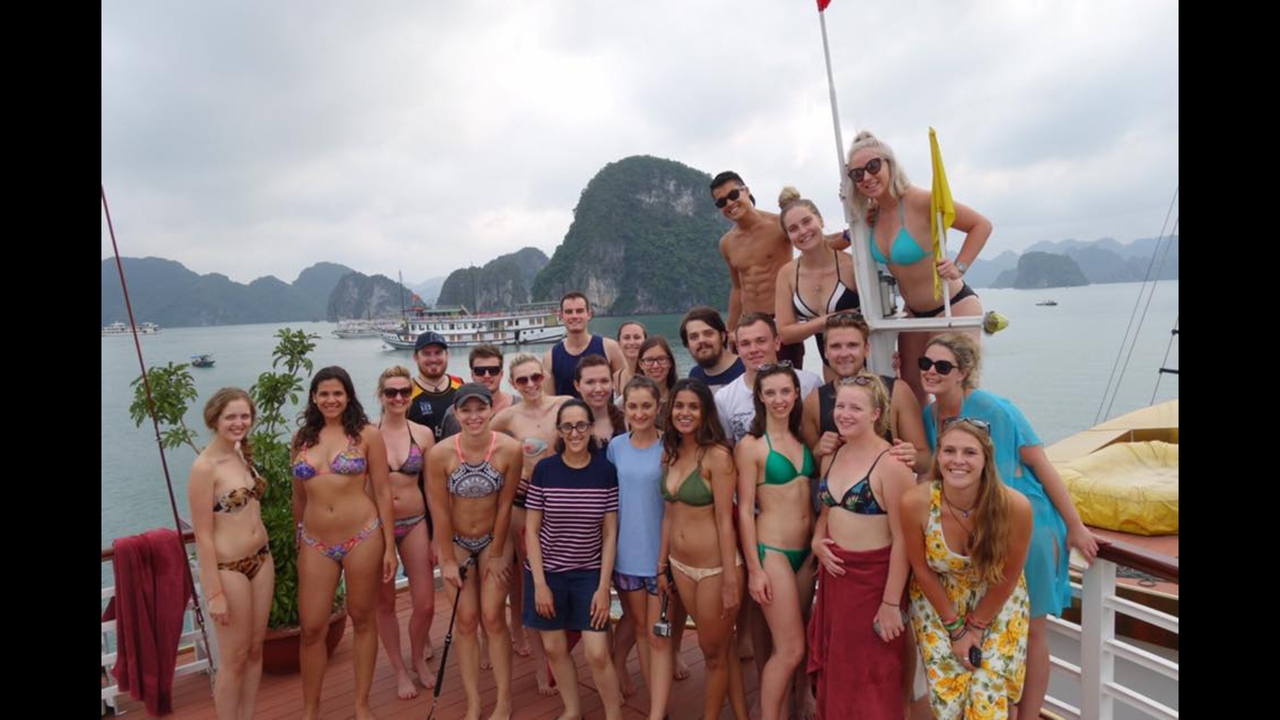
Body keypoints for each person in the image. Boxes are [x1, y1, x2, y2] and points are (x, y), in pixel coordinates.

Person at [912, 332, 1099, 718]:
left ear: (962, 372)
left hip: (1025, 521)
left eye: (942, 366)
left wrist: (1075, 525)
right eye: (925, 364)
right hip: (981, 529)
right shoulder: (930, 416)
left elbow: (1040, 464)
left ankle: (1028, 715)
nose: (931, 371)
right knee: (996, 626)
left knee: (1031, 629)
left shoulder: (994, 408)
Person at [837, 130, 993, 402]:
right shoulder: (871, 216)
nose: (867, 177)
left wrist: (960, 267)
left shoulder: (921, 201)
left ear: (890, 165)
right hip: (914, 317)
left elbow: (980, 225)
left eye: (873, 166)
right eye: (857, 173)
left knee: (957, 394)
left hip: (952, 305)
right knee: (910, 393)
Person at [902, 418, 1034, 720]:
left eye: (969, 453)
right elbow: (922, 570)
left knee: (989, 693)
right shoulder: (915, 503)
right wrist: (955, 628)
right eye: (949, 451)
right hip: (938, 601)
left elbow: (1010, 575)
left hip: (997, 600)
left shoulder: (1015, 508)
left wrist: (975, 627)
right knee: (949, 702)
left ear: (986, 459)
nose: (958, 461)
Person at [290, 366, 397, 720]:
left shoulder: (367, 435)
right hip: (315, 541)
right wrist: (297, 536)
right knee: (312, 628)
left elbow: (382, 491)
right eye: (323, 393)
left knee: (362, 618)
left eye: (337, 393)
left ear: (348, 395)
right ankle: (310, 709)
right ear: (314, 398)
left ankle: (361, 704)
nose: (331, 400)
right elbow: (298, 497)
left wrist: (389, 546)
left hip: (362, 535)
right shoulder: (302, 439)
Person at [807, 373, 915, 720]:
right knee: (838, 670)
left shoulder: (893, 465)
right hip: (836, 581)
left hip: (874, 586)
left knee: (872, 676)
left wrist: (890, 604)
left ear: (876, 413)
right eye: (840, 406)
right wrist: (817, 541)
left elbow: (904, 540)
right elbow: (827, 511)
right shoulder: (832, 456)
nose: (845, 414)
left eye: (856, 407)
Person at [425, 382, 524, 720]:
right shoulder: (440, 454)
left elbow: (506, 504)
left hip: (494, 539)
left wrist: (497, 553)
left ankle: (504, 700)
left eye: (480, 409)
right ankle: (473, 702)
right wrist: (448, 560)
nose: (474, 416)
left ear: (490, 409)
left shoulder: (509, 450)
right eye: (465, 410)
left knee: (493, 616)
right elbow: (438, 510)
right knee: (466, 621)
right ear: (456, 412)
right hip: (456, 541)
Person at [524, 399, 625, 720]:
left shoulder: (605, 471)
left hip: (588, 573)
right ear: (559, 431)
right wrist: (539, 584)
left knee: (596, 652)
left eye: (581, 425)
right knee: (554, 647)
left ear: (591, 428)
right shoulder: (545, 469)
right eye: (568, 426)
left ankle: (614, 714)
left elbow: (610, 533)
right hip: (547, 573)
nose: (575, 432)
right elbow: (531, 530)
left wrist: (603, 588)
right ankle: (572, 709)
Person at [658, 378, 749, 720]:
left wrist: (729, 579)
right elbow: (668, 515)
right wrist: (661, 565)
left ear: (705, 412)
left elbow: (726, 521)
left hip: (714, 569)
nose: (685, 412)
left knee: (712, 654)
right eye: (679, 406)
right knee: (722, 648)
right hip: (679, 566)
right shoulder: (669, 453)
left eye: (693, 406)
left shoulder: (718, 457)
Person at [733, 366, 817, 720]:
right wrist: (754, 569)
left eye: (786, 391)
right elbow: (744, 512)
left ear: (796, 393)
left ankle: (797, 707)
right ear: (760, 398)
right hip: (774, 552)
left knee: (799, 644)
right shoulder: (751, 446)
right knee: (790, 649)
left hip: (806, 553)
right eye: (771, 393)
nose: (779, 399)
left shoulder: (803, 438)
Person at [187, 388, 273, 720]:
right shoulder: (204, 467)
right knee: (233, 658)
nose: (239, 423)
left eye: (244, 416)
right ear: (215, 419)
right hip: (229, 568)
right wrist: (214, 593)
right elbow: (203, 535)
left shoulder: (241, 454)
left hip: (262, 559)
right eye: (231, 417)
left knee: (254, 651)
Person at [490, 354, 573, 694]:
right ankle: (543, 665)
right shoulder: (506, 416)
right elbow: (483, 447)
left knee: (569, 576)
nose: (531, 385)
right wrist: (507, 477)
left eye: (535, 378)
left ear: (545, 376)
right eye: (522, 381)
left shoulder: (565, 405)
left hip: (565, 503)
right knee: (531, 584)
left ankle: (568, 649)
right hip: (525, 506)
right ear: (513, 383)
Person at [606, 377, 688, 715]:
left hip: (660, 556)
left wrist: (667, 557)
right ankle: (657, 707)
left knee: (659, 636)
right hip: (626, 556)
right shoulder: (615, 447)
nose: (639, 413)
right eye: (633, 405)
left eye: (646, 406)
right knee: (640, 629)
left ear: (658, 408)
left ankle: (657, 710)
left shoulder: (671, 447)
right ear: (624, 407)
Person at [373, 367, 437, 700]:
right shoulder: (366, 434)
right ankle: (399, 669)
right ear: (380, 395)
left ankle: (417, 657)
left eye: (403, 392)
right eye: (391, 392)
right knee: (385, 604)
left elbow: (433, 487)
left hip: (415, 521)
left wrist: (438, 534)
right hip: (377, 527)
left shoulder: (423, 434)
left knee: (425, 603)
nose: (398, 398)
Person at [801, 311, 929, 473]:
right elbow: (812, 471)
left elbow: (925, 461)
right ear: (825, 352)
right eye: (835, 346)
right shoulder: (814, 403)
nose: (844, 353)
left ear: (866, 349)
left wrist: (912, 456)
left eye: (852, 345)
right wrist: (818, 452)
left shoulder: (897, 392)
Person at [712, 171, 805, 367]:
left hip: (780, 321)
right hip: (747, 324)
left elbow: (817, 242)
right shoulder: (726, 243)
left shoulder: (780, 224)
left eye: (733, 195)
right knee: (753, 387)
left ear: (746, 191)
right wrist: (730, 330)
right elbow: (738, 288)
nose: (729, 204)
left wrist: (849, 235)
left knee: (788, 384)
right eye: (721, 202)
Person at [772, 187, 861, 382]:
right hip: (830, 365)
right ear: (788, 236)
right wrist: (829, 320)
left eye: (806, 222)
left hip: (865, 362)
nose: (803, 232)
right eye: (793, 229)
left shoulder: (851, 266)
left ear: (820, 220)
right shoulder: (787, 274)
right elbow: (785, 333)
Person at [715, 313, 822, 444]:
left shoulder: (809, 384)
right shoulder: (724, 398)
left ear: (777, 343)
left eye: (761, 341)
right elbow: (727, 448)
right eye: (745, 344)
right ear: (738, 349)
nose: (753, 349)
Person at [543, 292, 626, 399]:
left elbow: (625, 391)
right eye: (569, 312)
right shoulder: (550, 357)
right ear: (561, 316)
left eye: (579, 311)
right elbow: (549, 401)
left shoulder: (609, 348)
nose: (574, 316)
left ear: (589, 314)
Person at [439, 343, 518, 438]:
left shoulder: (519, 407)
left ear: (501, 373)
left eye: (493, 370)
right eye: (480, 371)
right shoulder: (453, 414)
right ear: (472, 374)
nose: (487, 375)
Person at [407, 331, 466, 440]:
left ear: (447, 355)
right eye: (426, 354)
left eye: (438, 353)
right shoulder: (405, 392)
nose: (433, 359)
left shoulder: (460, 385)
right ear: (416, 357)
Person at [680, 306, 745, 392]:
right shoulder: (695, 376)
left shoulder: (746, 369)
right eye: (694, 337)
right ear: (687, 345)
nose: (701, 340)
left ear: (722, 336)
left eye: (708, 333)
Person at [574, 354, 627, 444]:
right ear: (577, 385)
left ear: (613, 383)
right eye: (590, 382)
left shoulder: (627, 423)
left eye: (604, 381)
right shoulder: (568, 426)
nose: (598, 389)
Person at [636, 335, 678, 406]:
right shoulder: (628, 400)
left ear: (670, 362)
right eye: (649, 360)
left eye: (661, 359)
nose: (655, 366)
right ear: (641, 364)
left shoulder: (681, 398)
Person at [614, 321, 648, 391]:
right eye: (626, 338)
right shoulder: (617, 377)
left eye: (637, 337)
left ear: (646, 342)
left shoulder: (652, 373)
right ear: (618, 343)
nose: (632, 342)